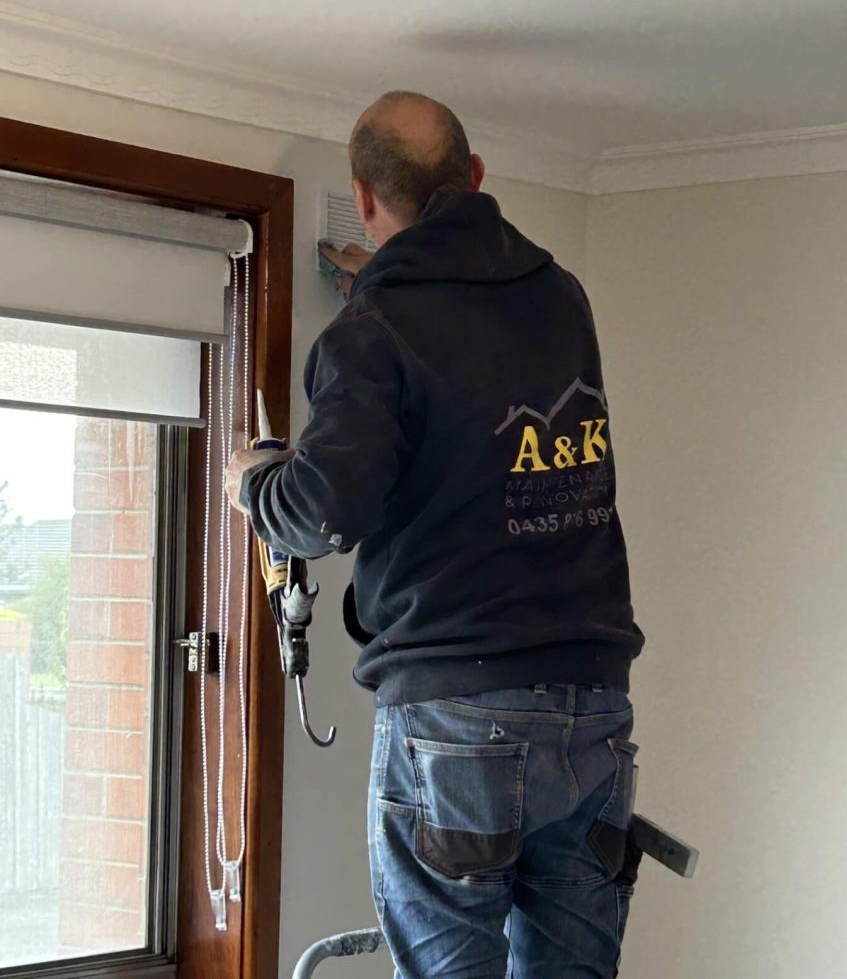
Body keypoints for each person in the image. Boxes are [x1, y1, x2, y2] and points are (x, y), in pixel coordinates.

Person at [226, 91, 645, 979]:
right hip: (591, 705)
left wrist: (252, 481)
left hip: (456, 713)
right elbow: (480, 414)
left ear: (365, 198)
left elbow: (322, 510)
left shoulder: (374, 331)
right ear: (477, 178)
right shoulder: (558, 298)